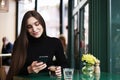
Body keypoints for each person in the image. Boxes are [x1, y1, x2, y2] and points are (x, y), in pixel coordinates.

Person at [6, 10, 68, 80]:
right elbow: (13, 70)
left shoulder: (55, 42)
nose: (34, 29)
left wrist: (59, 70)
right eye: (29, 27)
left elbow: (64, 65)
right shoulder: (20, 43)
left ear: (42, 23)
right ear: (26, 29)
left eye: (37, 24)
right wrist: (29, 69)